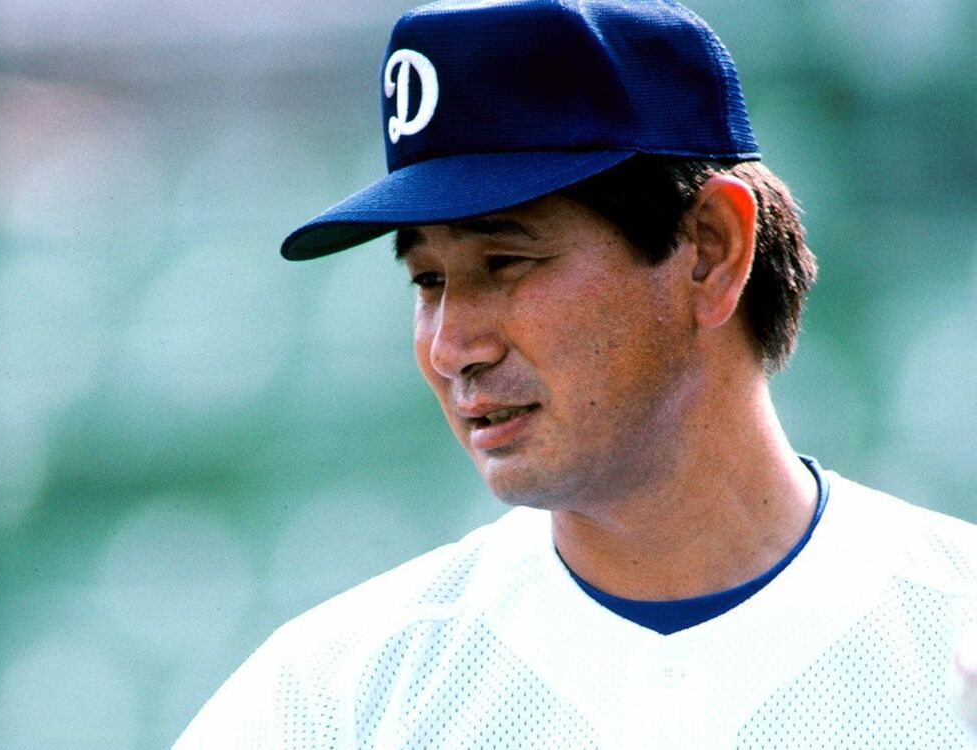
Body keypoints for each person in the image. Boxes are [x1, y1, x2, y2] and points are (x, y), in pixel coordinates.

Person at [175, 1, 977, 747]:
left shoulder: (955, 628)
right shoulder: (334, 698)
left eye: (505, 261)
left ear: (710, 250)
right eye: (428, 280)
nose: (453, 348)